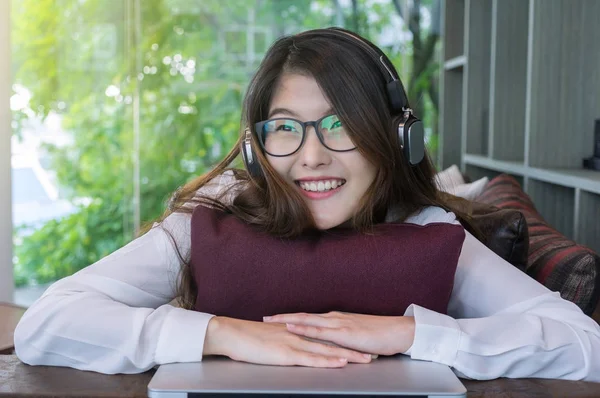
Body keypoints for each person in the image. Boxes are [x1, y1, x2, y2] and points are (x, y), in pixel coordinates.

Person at [13, 27, 600, 381]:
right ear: (255, 147)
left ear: (395, 140)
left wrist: (413, 334)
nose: (311, 158)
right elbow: (46, 323)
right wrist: (221, 333)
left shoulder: (427, 229)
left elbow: (584, 346)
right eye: (285, 129)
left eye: (340, 125)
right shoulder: (215, 215)